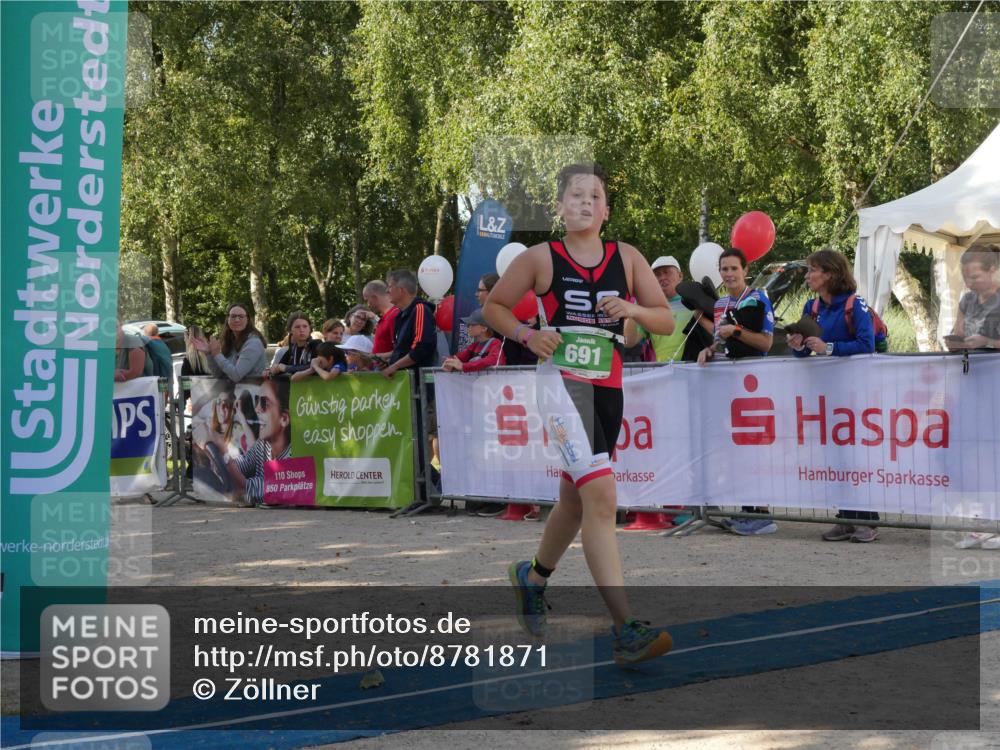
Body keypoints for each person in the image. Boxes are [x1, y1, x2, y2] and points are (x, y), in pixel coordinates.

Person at [483, 162, 675, 665]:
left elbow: (664, 317)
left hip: (608, 389)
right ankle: (624, 627)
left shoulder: (628, 258)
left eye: (594, 196)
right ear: (560, 207)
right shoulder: (540, 258)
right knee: (603, 498)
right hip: (563, 386)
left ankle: (533, 577)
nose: (585, 203)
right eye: (575, 195)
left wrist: (632, 311)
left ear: (606, 210)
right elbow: (495, 307)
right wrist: (527, 334)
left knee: (574, 498)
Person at [787, 249, 879, 543]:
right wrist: (797, 344)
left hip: (857, 394)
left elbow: (867, 344)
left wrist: (828, 348)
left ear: (829, 273)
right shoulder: (811, 306)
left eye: (812, 270)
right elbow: (801, 353)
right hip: (826, 395)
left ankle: (868, 520)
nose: (807, 275)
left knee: (856, 455)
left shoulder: (856, 304)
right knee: (835, 455)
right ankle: (846, 517)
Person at [697, 247, 778, 536]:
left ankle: (762, 514)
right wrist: (708, 351)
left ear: (745, 271)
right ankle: (746, 510)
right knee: (735, 449)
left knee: (754, 449)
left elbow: (766, 344)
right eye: (724, 269)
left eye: (734, 269)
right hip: (728, 385)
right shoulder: (720, 305)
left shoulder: (758, 299)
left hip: (754, 383)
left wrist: (738, 332)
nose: (729, 274)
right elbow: (720, 342)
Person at [213, 378, 291, 507]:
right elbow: (244, 464)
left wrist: (224, 456)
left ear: (284, 418)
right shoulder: (263, 444)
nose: (257, 409)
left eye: (264, 403)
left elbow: (253, 487)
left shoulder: (292, 456)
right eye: (256, 401)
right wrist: (219, 464)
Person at [624, 256, 709, 363]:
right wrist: (634, 308)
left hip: (695, 370)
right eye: (657, 274)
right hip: (663, 374)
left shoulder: (696, 301)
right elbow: (628, 341)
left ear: (680, 275)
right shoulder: (649, 308)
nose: (662, 277)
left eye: (667, 272)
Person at [381, 269, 438, 378]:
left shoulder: (420, 309)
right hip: (404, 384)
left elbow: (421, 348)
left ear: (401, 290)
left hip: (418, 385)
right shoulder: (400, 315)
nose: (387, 291)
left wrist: (394, 366)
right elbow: (403, 350)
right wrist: (386, 360)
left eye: (390, 286)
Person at [945, 244, 1000, 353]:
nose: (968, 284)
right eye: (965, 278)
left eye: (974, 277)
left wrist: (987, 342)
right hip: (970, 367)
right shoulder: (967, 300)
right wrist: (955, 344)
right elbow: (959, 334)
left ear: (992, 271)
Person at [198, 303, 268, 384]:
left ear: (247, 320)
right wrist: (209, 354)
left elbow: (236, 376)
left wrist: (217, 354)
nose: (237, 320)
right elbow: (219, 375)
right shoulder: (229, 341)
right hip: (234, 394)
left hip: (253, 394)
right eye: (233, 316)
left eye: (241, 316)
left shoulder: (254, 342)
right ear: (228, 320)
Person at [265, 311, 320, 378]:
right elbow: (279, 367)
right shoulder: (292, 350)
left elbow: (315, 366)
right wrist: (269, 371)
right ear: (290, 330)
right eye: (297, 327)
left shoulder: (317, 344)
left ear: (310, 329)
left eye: (305, 326)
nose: (302, 330)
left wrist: (287, 368)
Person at [363, 280, 400, 358]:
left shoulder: (395, 315)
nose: (368, 304)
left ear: (374, 297)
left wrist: (377, 357)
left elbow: (401, 350)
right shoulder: (386, 317)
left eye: (367, 300)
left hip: (390, 369)